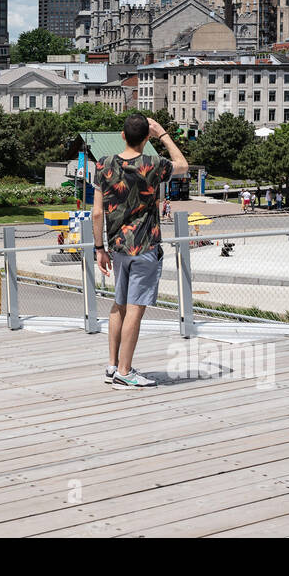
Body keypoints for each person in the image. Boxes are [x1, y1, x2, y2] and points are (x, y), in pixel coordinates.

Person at [93, 114, 189, 391]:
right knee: (135, 308)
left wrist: (99, 248)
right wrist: (163, 135)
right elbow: (183, 165)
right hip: (145, 246)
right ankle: (125, 372)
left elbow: (97, 212)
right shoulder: (154, 164)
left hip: (118, 247)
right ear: (146, 138)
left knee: (119, 304)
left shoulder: (104, 164)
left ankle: (113, 366)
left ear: (122, 135)